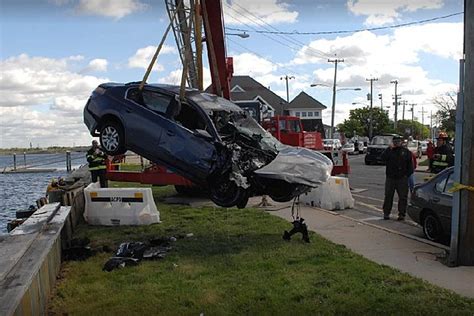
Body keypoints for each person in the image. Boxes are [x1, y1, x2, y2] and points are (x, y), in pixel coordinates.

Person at [381, 136, 414, 221]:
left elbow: (410, 166)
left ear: (401, 142)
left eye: (398, 141)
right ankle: (386, 213)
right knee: (388, 196)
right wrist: (389, 149)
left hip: (402, 178)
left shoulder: (406, 152)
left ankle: (402, 214)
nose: (397, 143)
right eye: (395, 141)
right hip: (390, 177)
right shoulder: (389, 151)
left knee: (403, 197)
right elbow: (382, 158)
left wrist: (406, 175)